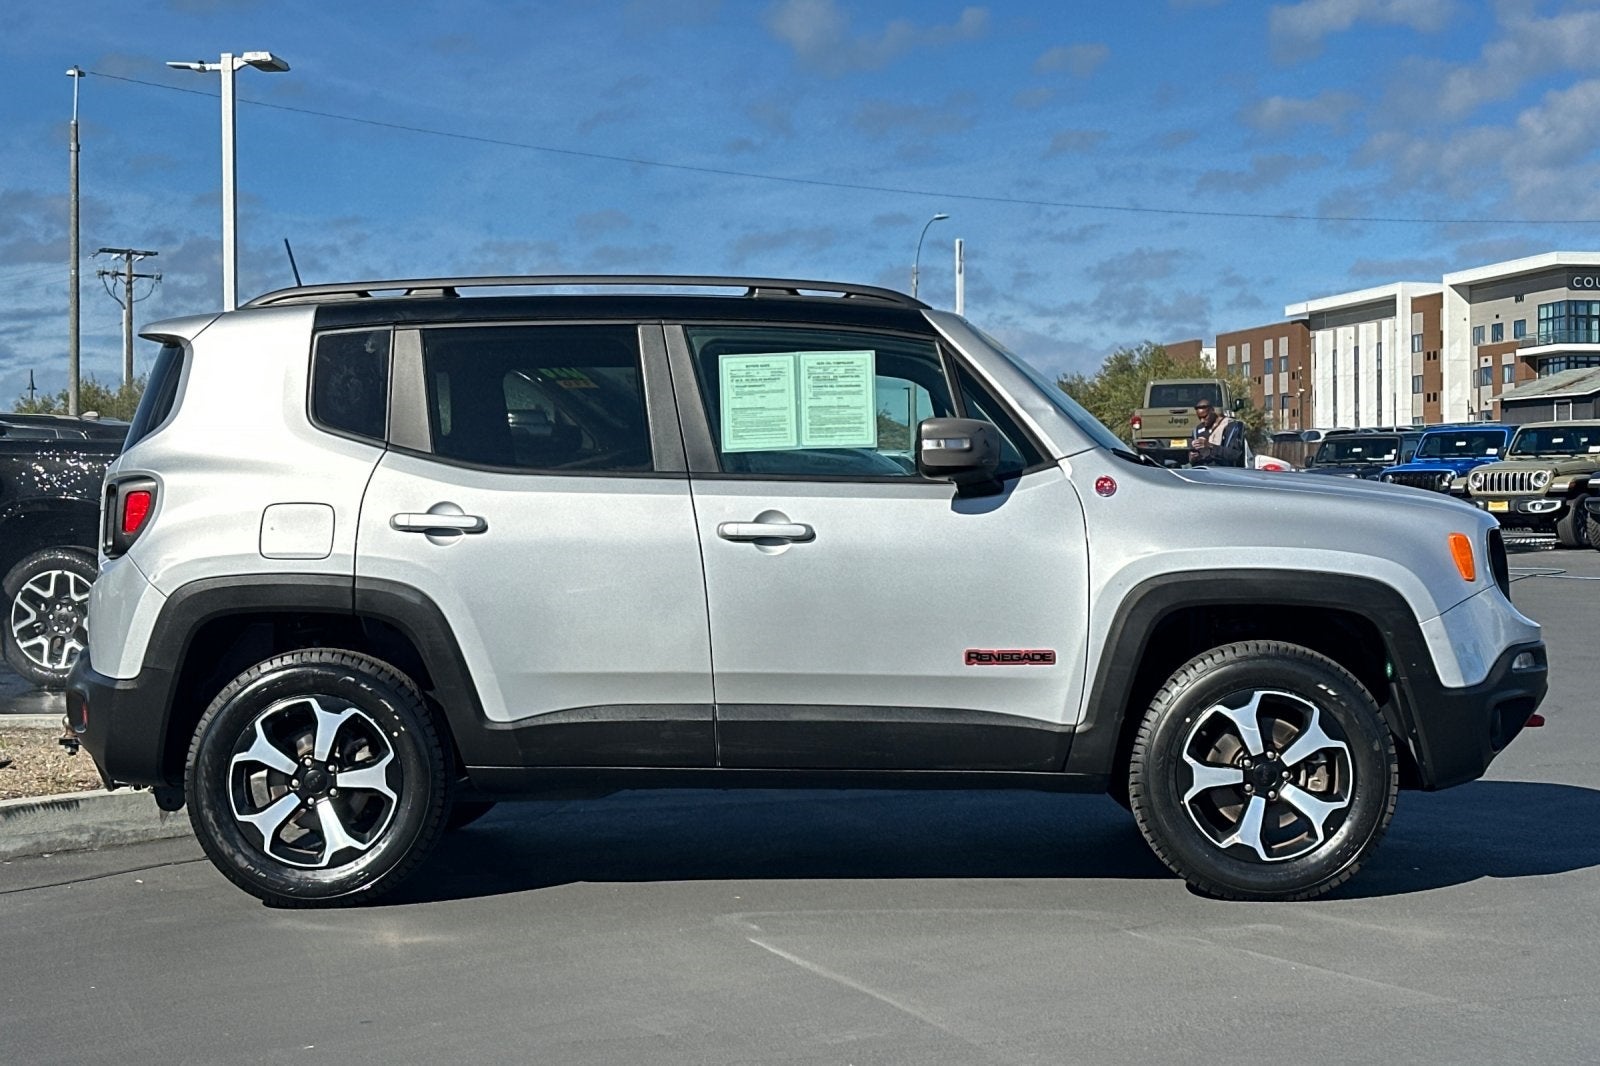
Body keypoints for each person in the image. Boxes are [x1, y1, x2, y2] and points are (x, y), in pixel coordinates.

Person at [1188, 399, 1245, 467]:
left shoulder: (1230, 426)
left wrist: (1209, 446)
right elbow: (1193, 456)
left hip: (1224, 471)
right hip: (1204, 471)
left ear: (1212, 410)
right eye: (1199, 418)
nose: (1202, 421)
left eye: (1205, 417)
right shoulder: (1198, 429)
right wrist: (1193, 457)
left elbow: (1235, 455)